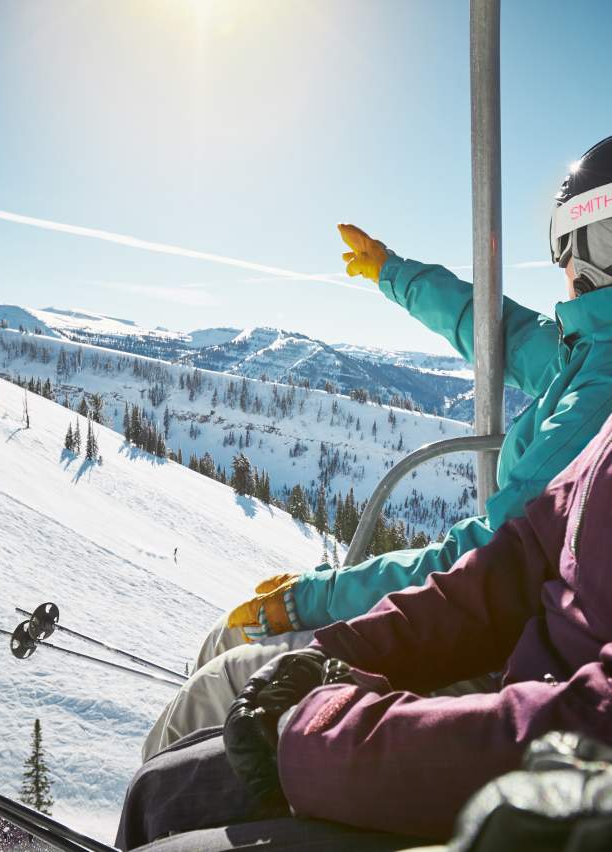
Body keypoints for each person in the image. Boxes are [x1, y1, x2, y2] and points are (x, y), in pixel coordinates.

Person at [143, 136, 612, 759]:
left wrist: (314, 597)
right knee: (225, 655)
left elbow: (486, 558)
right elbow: (503, 332)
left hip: (513, 653)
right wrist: (397, 274)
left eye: (565, 242)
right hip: (511, 628)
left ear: (581, 242)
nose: (561, 266)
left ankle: (169, 809)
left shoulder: (596, 392)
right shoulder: (588, 353)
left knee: (221, 680)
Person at [117, 407, 612, 849]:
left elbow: (595, 722)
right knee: (161, 789)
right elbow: (516, 561)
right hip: (507, 731)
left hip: (547, 800)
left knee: (169, 820)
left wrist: (322, 738)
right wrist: (337, 653)